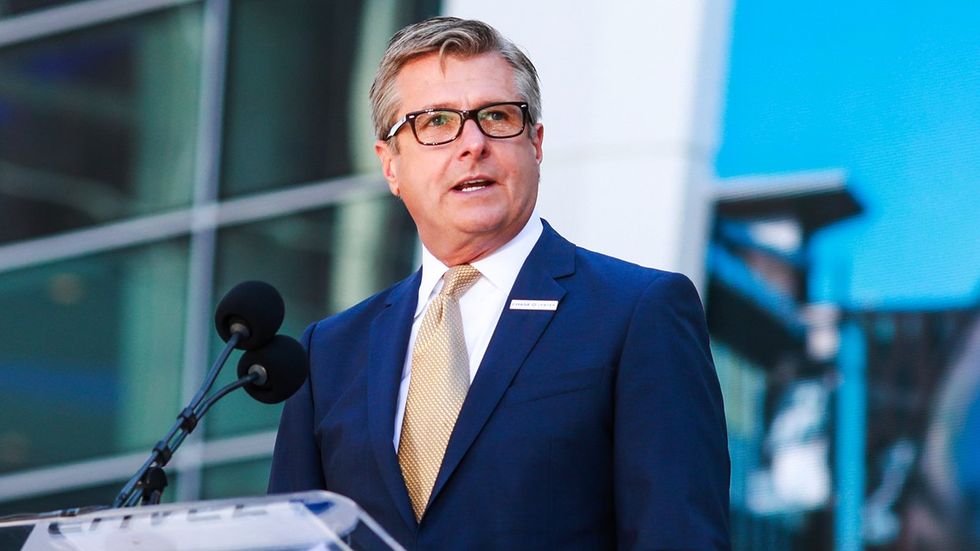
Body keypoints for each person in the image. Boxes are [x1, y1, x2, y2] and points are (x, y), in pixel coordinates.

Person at [269, 16, 730, 550]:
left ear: (535, 143)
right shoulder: (329, 353)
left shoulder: (637, 313)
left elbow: (677, 535)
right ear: (390, 164)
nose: (473, 143)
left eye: (496, 116)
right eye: (436, 122)